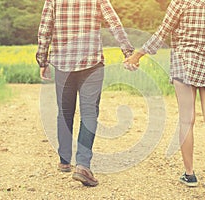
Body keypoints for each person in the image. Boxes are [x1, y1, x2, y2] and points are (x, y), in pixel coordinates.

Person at [125, 0, 205, 193]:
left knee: (186, 120)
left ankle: (189, 174)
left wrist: (137, 56)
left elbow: (161, 33)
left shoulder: (181, 3)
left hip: (185, 65)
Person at [36, 0, 134, 187]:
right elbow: (113, 22)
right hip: (91, 61)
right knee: (89, 112)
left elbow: (44, 28)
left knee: (65, 111)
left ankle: (64, 160)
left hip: (63, 62)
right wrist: (127, 51)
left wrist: (42, 60)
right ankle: (83, 165)